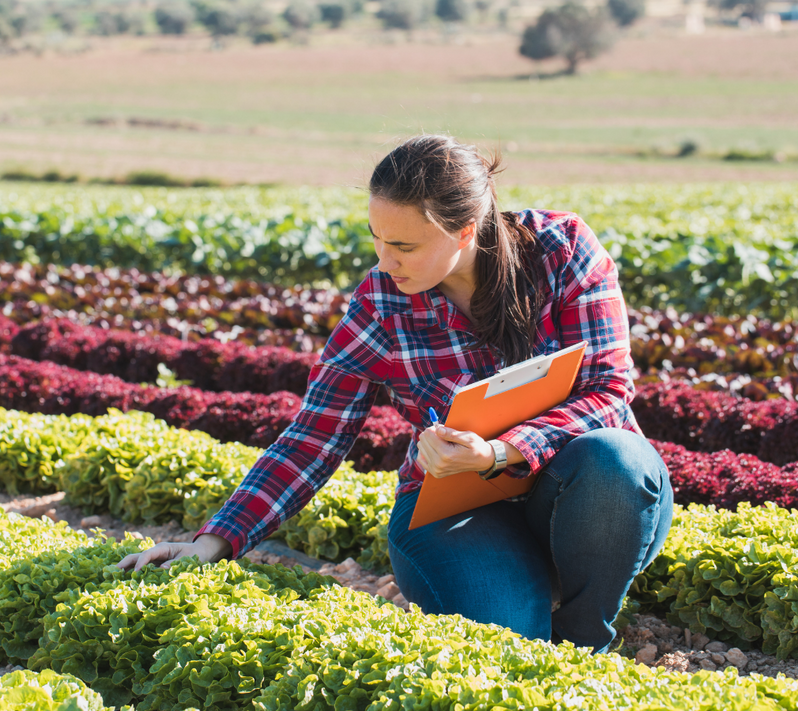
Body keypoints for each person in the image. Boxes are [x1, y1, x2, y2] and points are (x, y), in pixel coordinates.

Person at [116, 134, 674, 655]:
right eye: (377, 239)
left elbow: (608, 391)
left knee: (617, 458)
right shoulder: (381, 304)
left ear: (465, 231)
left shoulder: (561, 251)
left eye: (404, 245)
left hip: (586, 496)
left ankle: (584, 639)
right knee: (509, 640)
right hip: (457, 510)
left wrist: (499, 452)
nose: (385, 261)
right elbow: (313, 435)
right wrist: (213, 542)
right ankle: (517, 590)